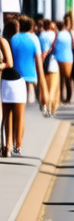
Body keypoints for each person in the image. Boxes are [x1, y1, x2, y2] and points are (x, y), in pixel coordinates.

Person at [3, 17, 42, 156]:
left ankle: (8, 145)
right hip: (21, 78)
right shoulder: (23, 39)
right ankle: (17, 144)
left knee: (8, 115)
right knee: (20, 115)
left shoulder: (8, 41)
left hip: (6, 79)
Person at [53, 19, 74, 108]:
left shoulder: (58, 34)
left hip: (61, 58)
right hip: (67, 58)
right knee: (66, 79)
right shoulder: (67, 33)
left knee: (62, 79)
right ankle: (66, 98)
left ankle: (63, 98)